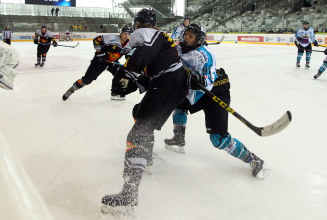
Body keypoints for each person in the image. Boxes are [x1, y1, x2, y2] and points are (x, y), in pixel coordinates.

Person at [101, 9, 188, 212]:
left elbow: (138, 61)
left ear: (138, 23)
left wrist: (124, 74)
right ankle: (145, 157)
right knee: (139, 114)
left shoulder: (143, 34)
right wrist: (128, 81)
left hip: (167, 85)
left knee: (138, 133)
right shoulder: (159, 36)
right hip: (169, 83)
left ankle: (129, 194)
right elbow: (147, 75)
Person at [164, 23, 270, 179]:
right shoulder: (179, 47)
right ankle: (178, 139)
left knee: (218, 139)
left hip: (215, 92)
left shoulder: (204, 55)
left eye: (191, 36)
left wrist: (197, 79)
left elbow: (207, 82)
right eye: (186, 34)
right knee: (179, 106)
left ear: (198, 40)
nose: (186, 37)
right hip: (196, 91)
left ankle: (254, 160)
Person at [62, 24, 132, 101]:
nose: (126, 35)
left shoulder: (129, 45)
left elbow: (129, 56)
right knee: (87, 80)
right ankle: (72, 89)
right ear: (121, 33)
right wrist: (99, 53)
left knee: (122, 74)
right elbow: (97, 39)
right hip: (100, 61)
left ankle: (115, 92)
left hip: (112, 63)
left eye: (128, 34)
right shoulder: (112, 38)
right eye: (124, 33)